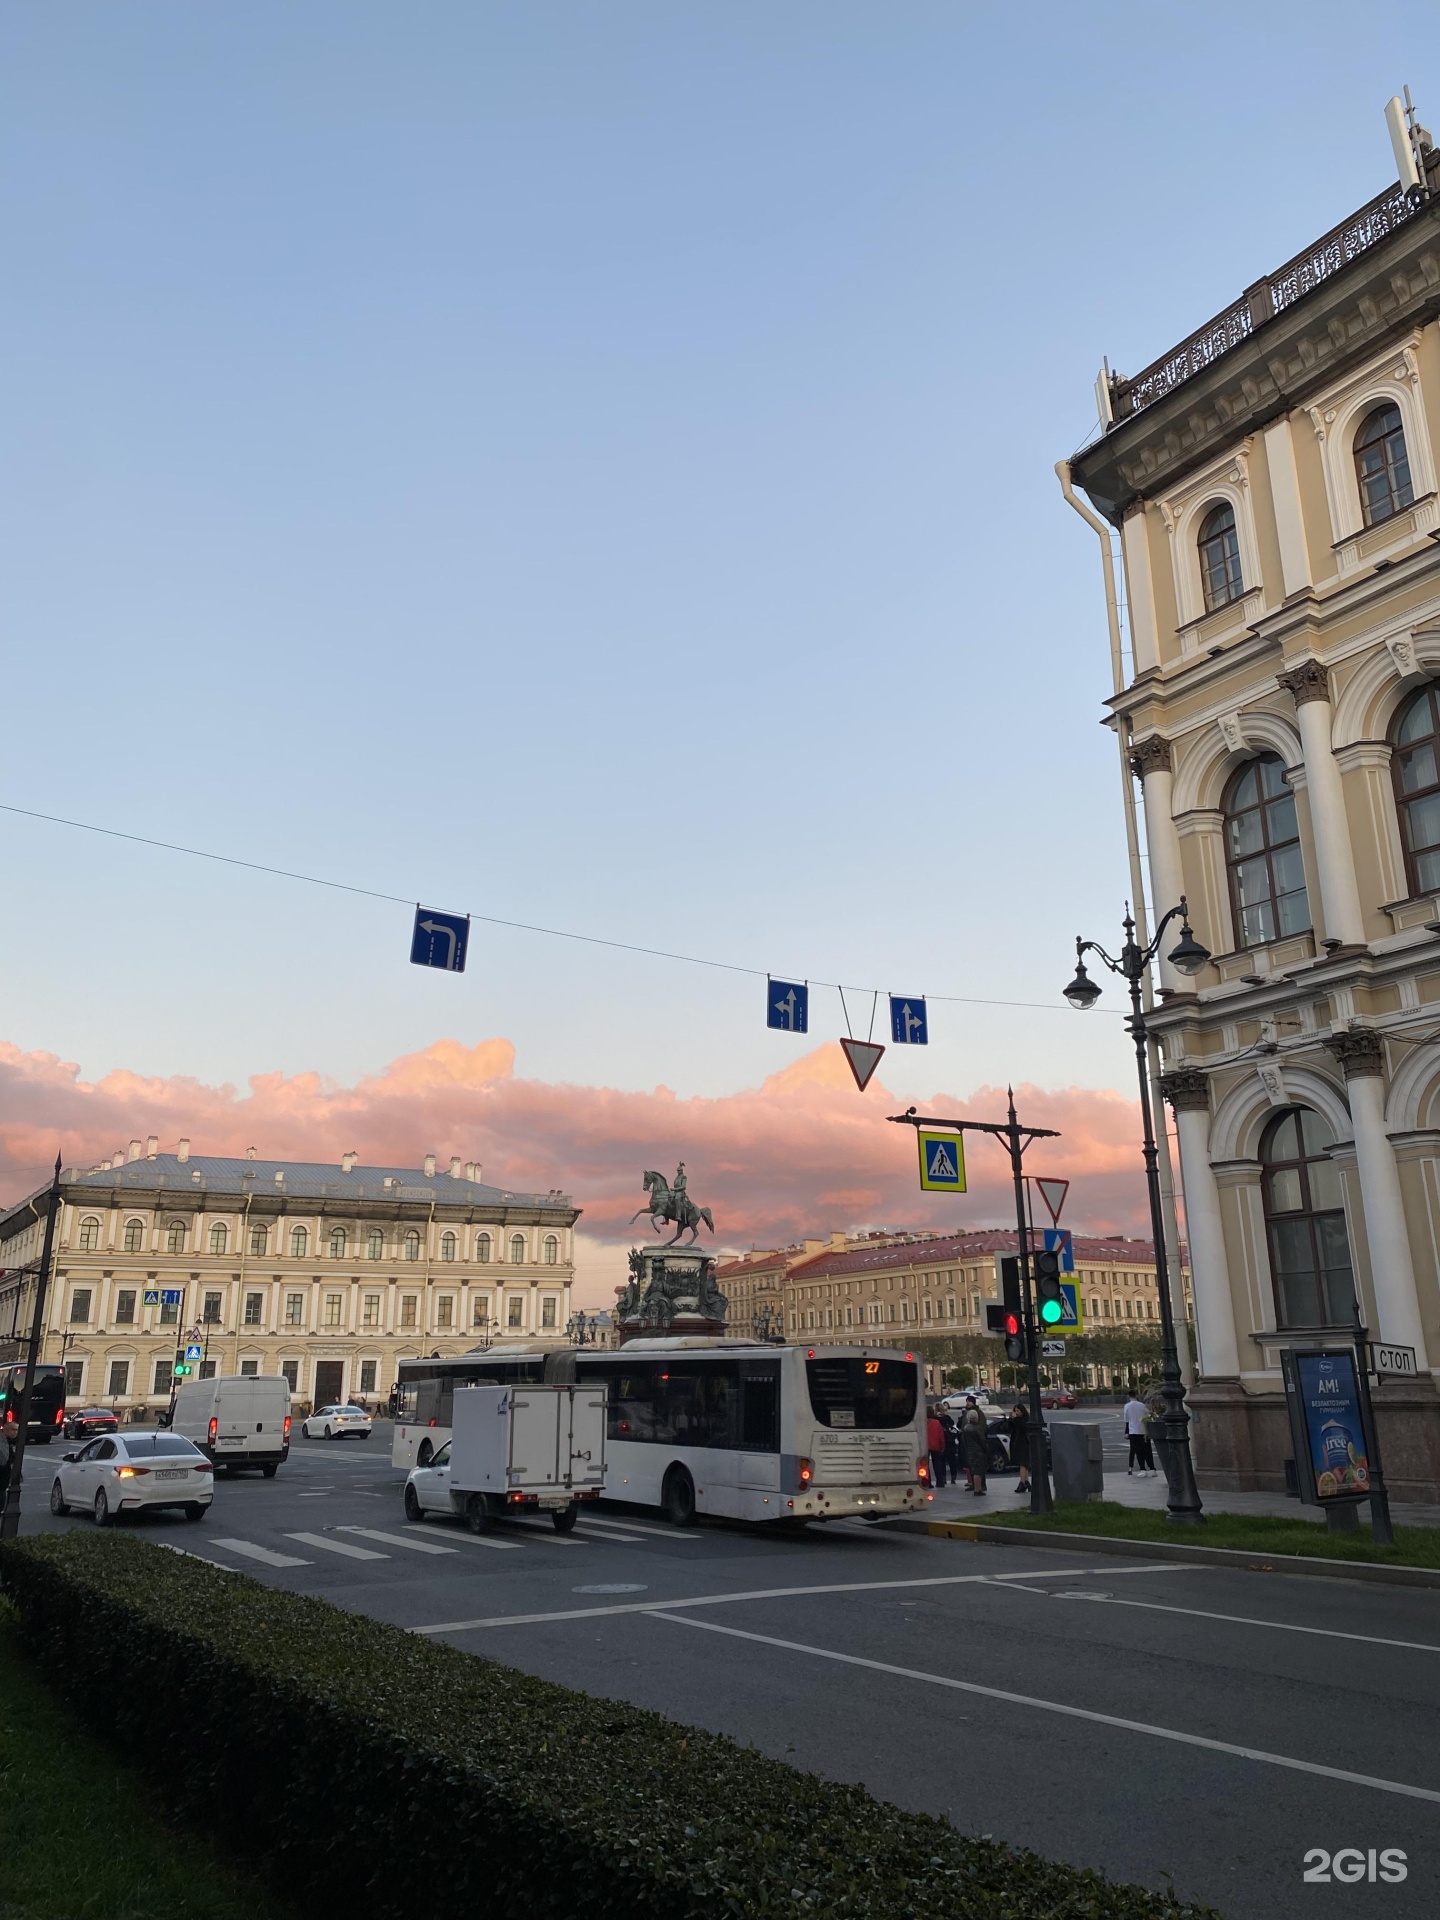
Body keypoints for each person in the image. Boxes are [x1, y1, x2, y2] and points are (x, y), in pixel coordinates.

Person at [959, 1396, 989, 1496]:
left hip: (975, 1446)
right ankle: (975, 1485)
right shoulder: (967, 1413)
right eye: (967, 1401)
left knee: (978, 1468)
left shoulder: (978, 1413)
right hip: (973, 1447)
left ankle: (981, 1485)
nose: (967, 1403)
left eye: (969, 1401)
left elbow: (982, 1428)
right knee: (973, 1467)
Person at [1005, 1400, 1031, 1494]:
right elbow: (1009, 1428)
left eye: (1018, 1411)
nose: (1016, 1413)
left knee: (1023, 1464)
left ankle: (1022, 1482)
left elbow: (1022, 1427)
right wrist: (1010, 1420)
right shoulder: (1016, 1420)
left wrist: (1015, 1419)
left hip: (1024, 1442)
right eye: (1015, 1411)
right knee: (1023, 1464)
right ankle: (1026, 1481)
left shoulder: (1025, 1419)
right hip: (1017, 1442)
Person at [1123, 1391, 1151, 1475]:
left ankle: (1136, 1468)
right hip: (1143, 1430)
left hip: (1133, 1431)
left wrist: (1126, 1432)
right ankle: (1151, 1468)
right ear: (1136, 1395)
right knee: (1146, 1450)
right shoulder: (1142, 1405)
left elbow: (1127, 1421)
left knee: (1134, 1450)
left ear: (1129, 1396)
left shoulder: (1127, 1406)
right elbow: (1148, 1415)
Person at [926, 1405, 948, 1488]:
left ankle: (928, 1482)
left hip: (925, 1446)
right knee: (937, 1464)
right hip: (936, 1446)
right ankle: (940, 1482)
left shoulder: (922, 1422)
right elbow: (941, 1436)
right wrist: (942, 1446)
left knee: (925, 1465)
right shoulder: (936, 1423)